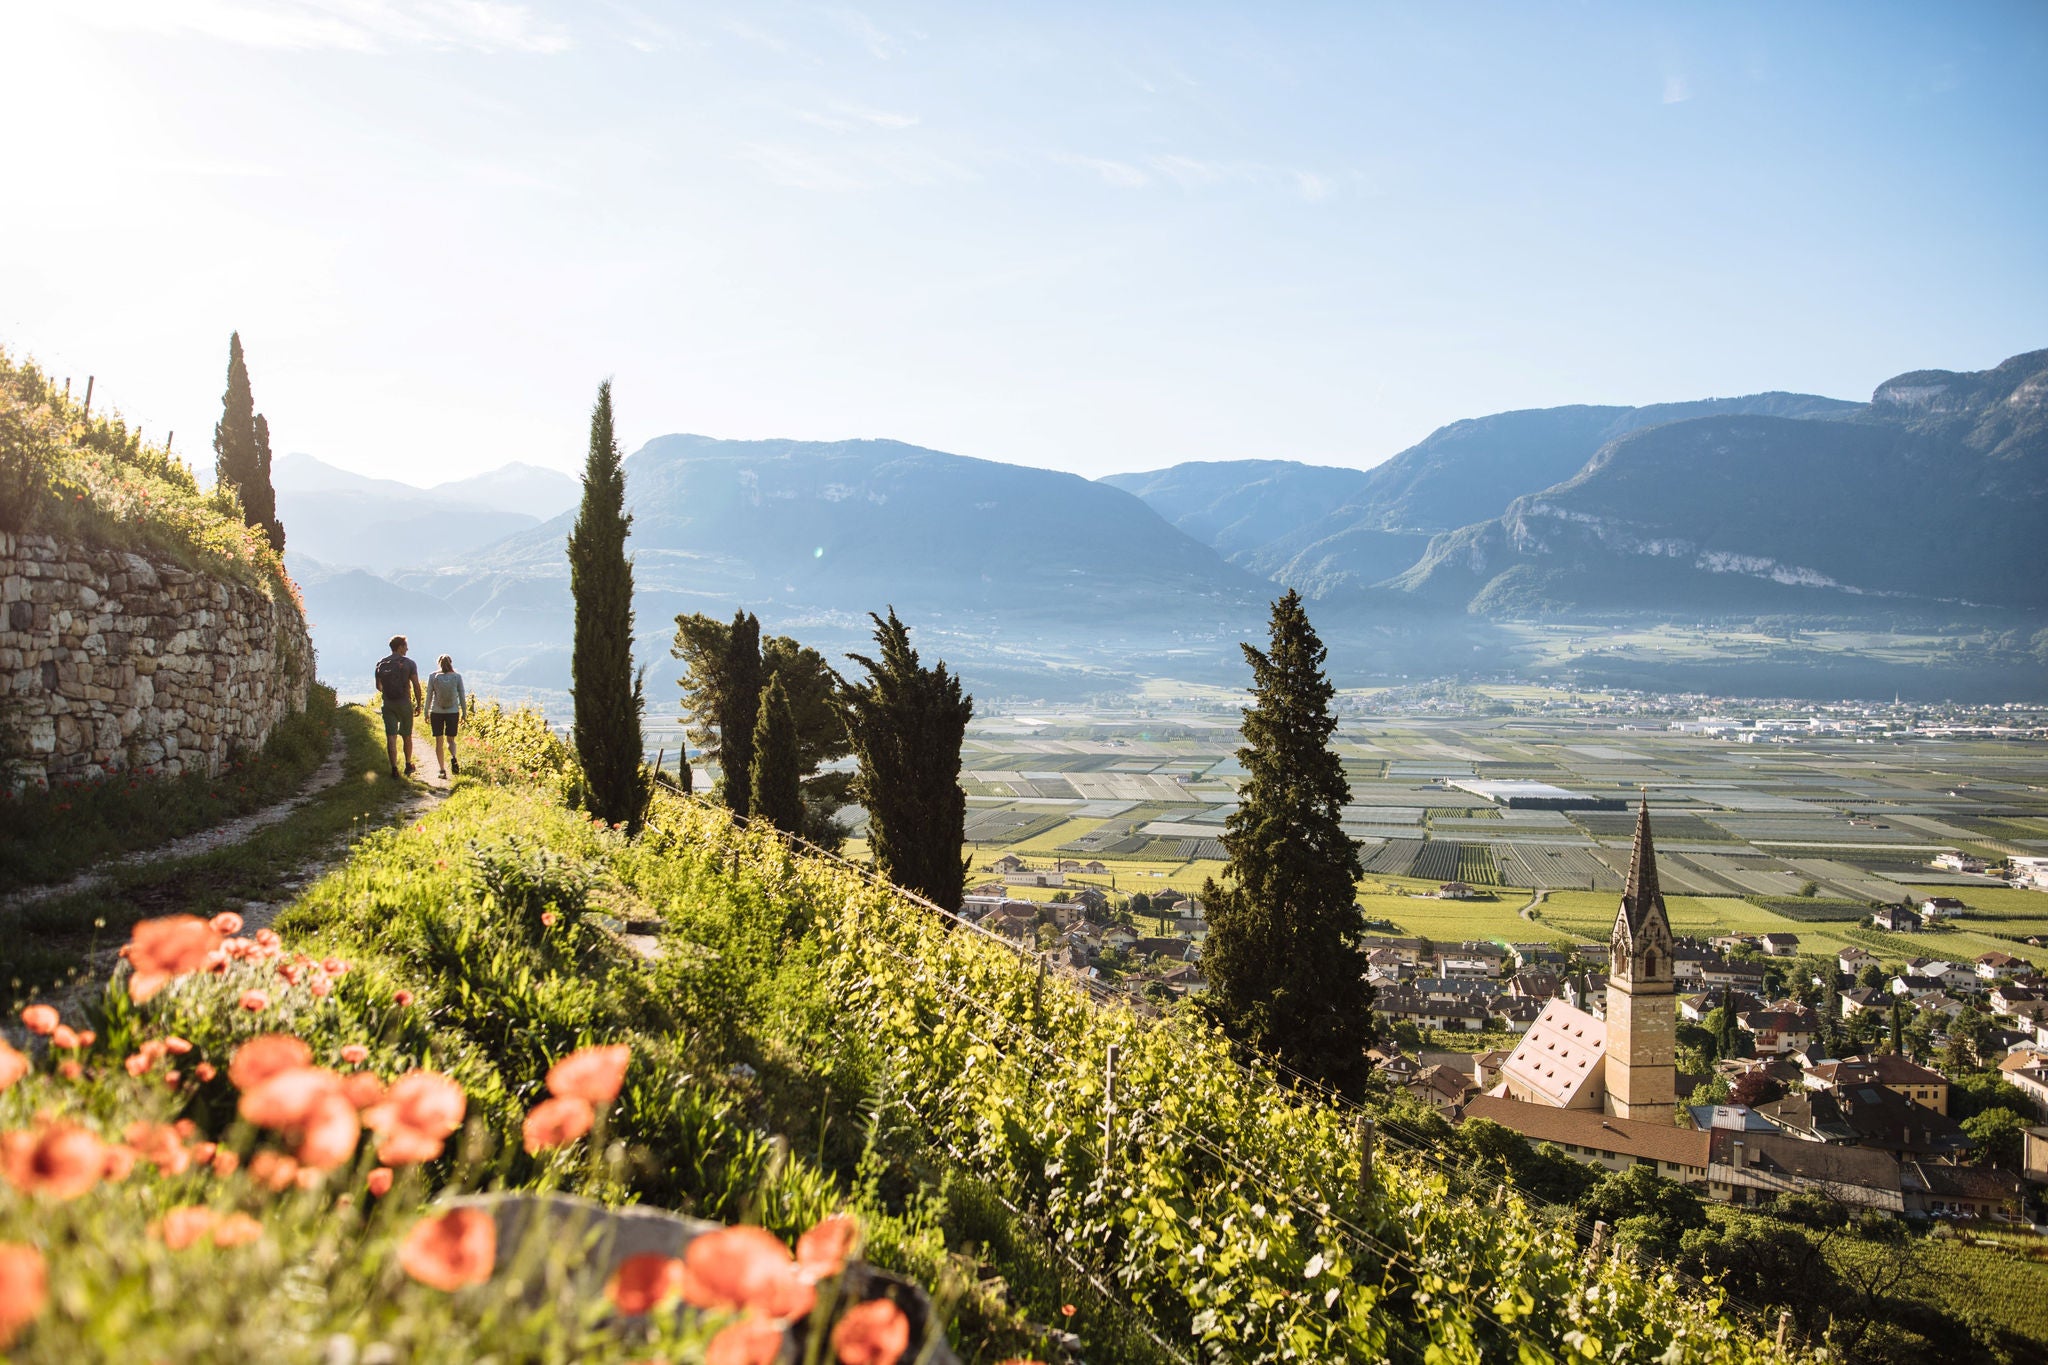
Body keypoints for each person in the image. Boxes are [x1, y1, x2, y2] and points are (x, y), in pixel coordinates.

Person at [373, 634, 423, 780]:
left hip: (388, 704)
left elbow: (378, 686)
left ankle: (394, 768)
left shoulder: (381, 663)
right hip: (404, 703)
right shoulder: (409, 663)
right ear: (400, 647)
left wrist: (389, 692)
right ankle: (408, 764)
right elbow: (416, 685)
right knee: (407, 735)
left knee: (391, 736)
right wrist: (419, 704)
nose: (407, 649)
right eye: (406, 646)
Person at [426, 653, 467, 780]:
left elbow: (429, 696)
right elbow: (462, 696)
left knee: (439, 741)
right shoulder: (457, 677)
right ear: (451, 663)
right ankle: (454, 757)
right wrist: (464, 712)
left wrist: (425, 711)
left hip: (436, 712)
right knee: (451, 740)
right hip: (453, 712)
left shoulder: (433, 676)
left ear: (439, 663)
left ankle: (442, 770)